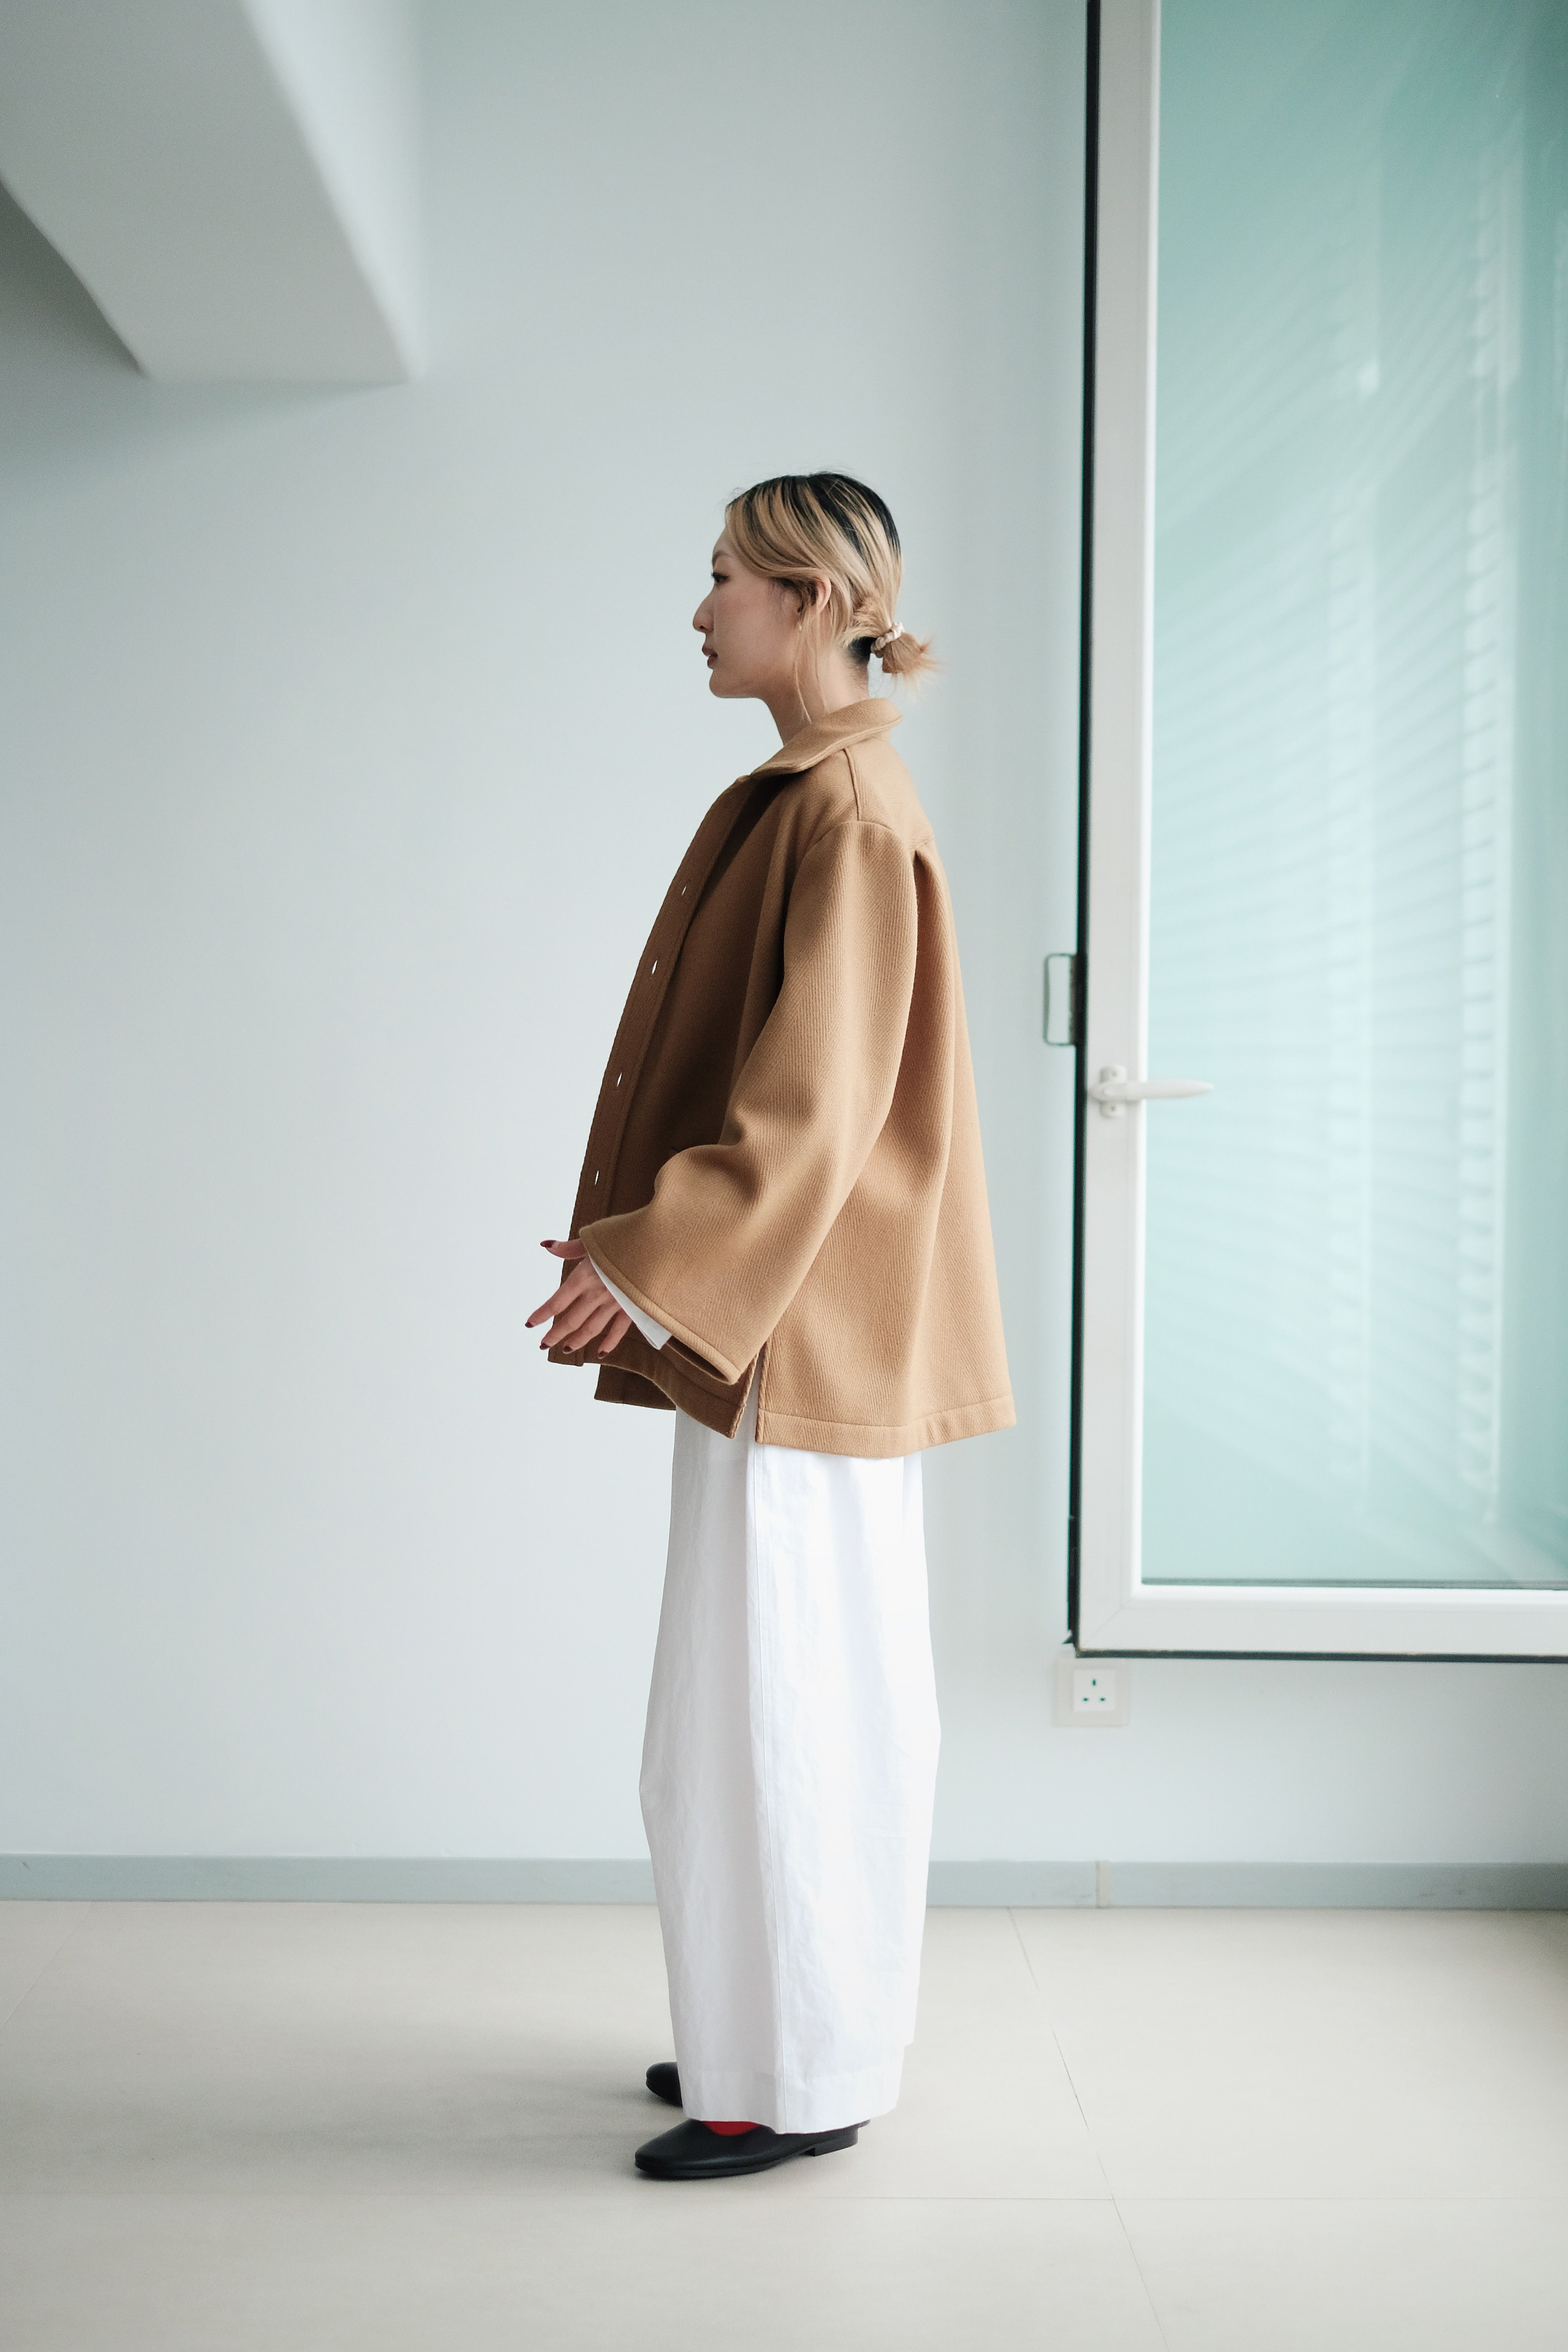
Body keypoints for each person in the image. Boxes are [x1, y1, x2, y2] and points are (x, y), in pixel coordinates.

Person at [527, 472, 1013, 2182]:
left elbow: (814, 1111)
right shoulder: (817, 793)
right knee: (733, 1716)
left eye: (726, 574)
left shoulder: (849, 813)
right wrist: (661, 1266)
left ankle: (801, 2079)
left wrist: (651, 1261)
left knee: (797, 1711)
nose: (701, 605)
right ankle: (758, 2036)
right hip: (775, 1334)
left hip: (801, 1335)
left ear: (809, 597)